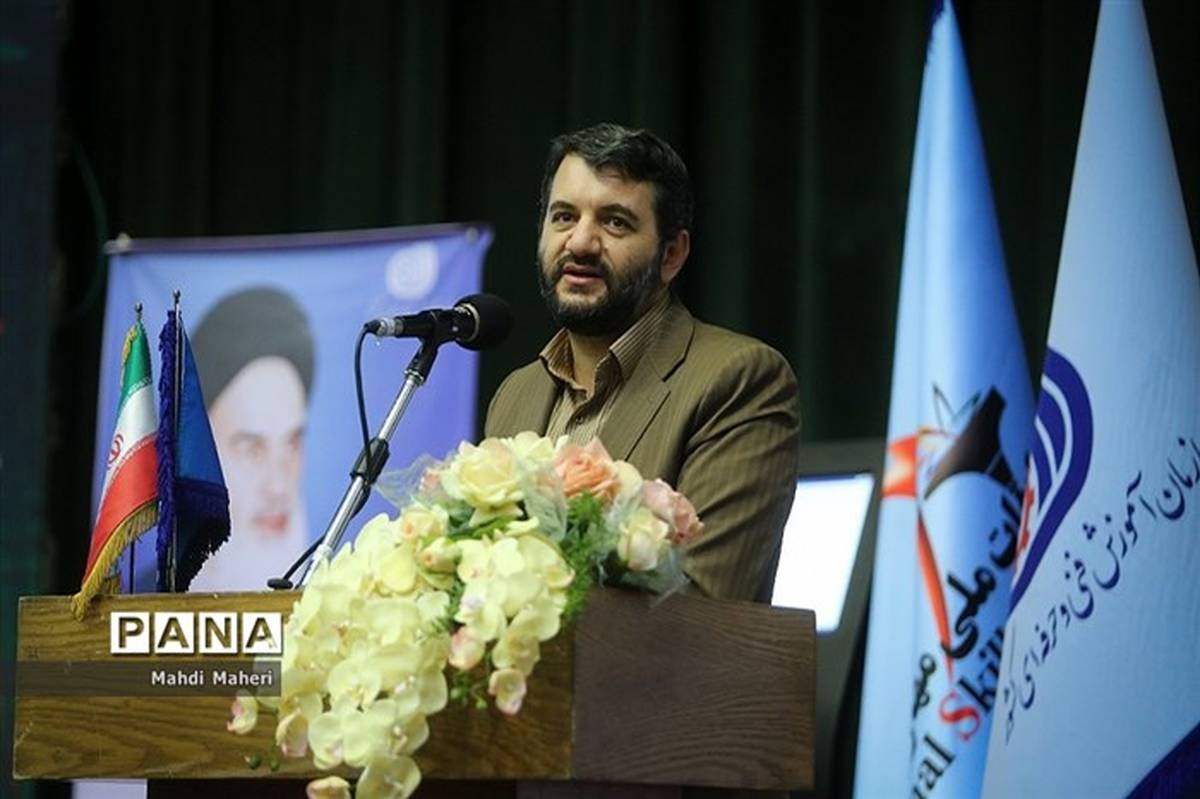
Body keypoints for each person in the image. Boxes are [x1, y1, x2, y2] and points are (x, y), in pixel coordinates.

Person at [485, 123, 801, 602]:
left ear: (671, 255)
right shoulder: (516, 394)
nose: (580, 243)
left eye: (615, 222)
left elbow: (699, 602)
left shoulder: (739, 379)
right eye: (564, 216)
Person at [188, 287, 315, 591]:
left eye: (292, 444)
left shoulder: (347, 607)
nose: (278, 487)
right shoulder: (142, 599)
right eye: (251, 450)